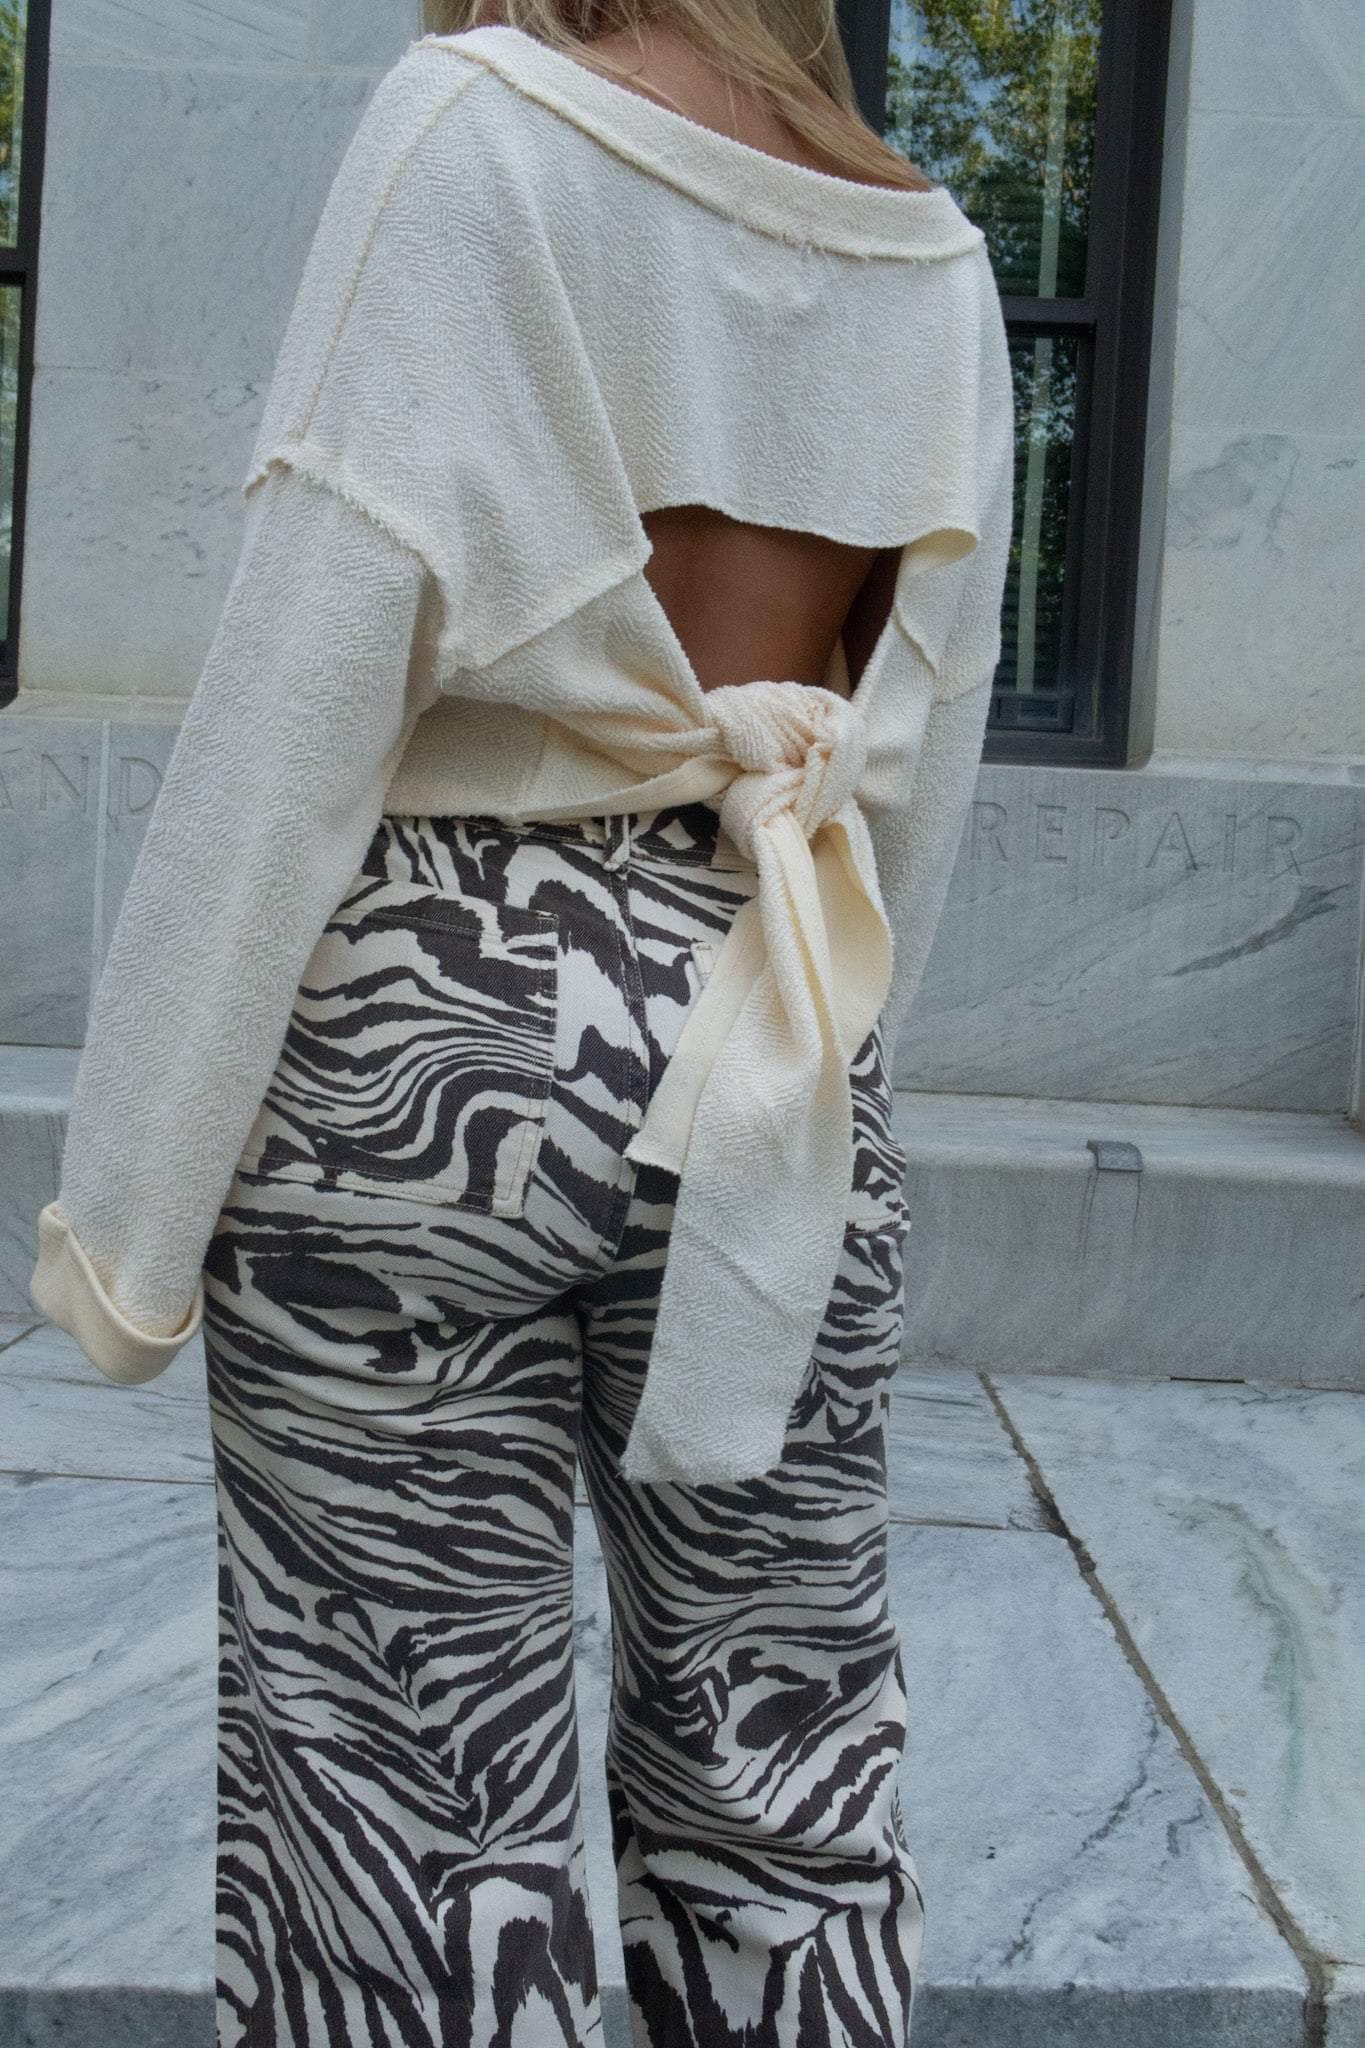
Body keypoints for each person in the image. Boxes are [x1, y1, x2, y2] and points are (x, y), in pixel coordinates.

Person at [28, 2, 1015, 2041]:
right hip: (770, 1007)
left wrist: (126, 1213)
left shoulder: (467, 131)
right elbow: (918, 760)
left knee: (408, 1813)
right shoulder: (924, 249)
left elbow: (311, 666)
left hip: (431, 1029)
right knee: (788, 1778)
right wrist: (836, 1078)